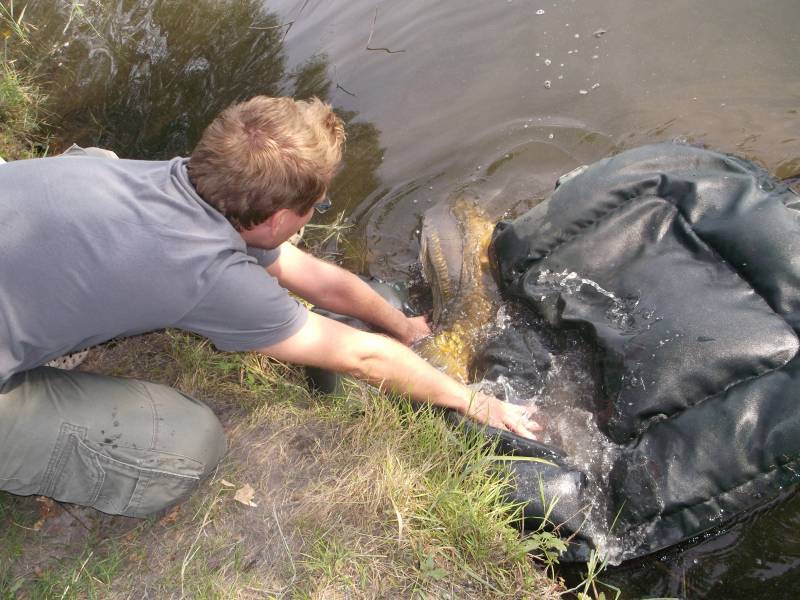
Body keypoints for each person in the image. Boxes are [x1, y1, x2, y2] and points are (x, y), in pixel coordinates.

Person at [0, 96, 540, 518]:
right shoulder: (206, 274)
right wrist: (472, 401)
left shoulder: (176, 178)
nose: (314, 215)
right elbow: (359, 357)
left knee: (96, 161)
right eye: (316, 207)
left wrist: (402, 325)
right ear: (279, 218)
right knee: (185, 446)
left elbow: (315, 278)